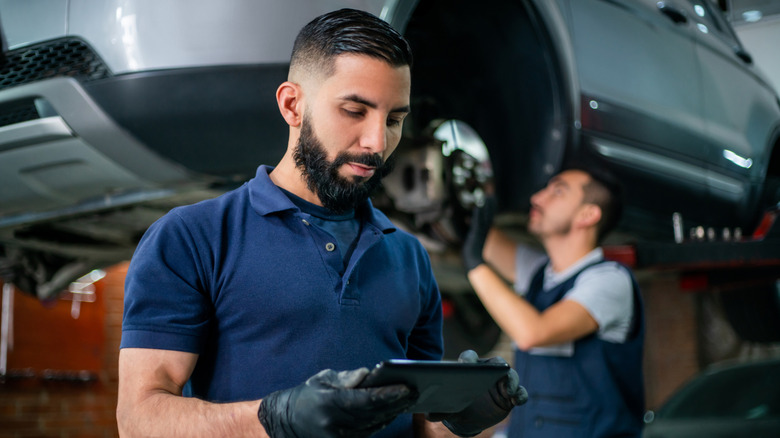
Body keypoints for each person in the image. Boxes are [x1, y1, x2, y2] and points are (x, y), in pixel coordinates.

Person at [116, 8, 525, 438]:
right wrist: (274, 420)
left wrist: (462, 420)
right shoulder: (192, 238)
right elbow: (139, 420)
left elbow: (418, 427)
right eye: (354, 111)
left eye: (394, 120)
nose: (377, 142)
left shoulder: (409, 256)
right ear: (292, 104)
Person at [461, 164, 645, 437]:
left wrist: (475, 266)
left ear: (588, 214)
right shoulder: (540, 273)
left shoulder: (610, 280)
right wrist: (466, 200)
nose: (537, 197)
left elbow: (532, 333)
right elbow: (480, 237)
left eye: (558, 191)